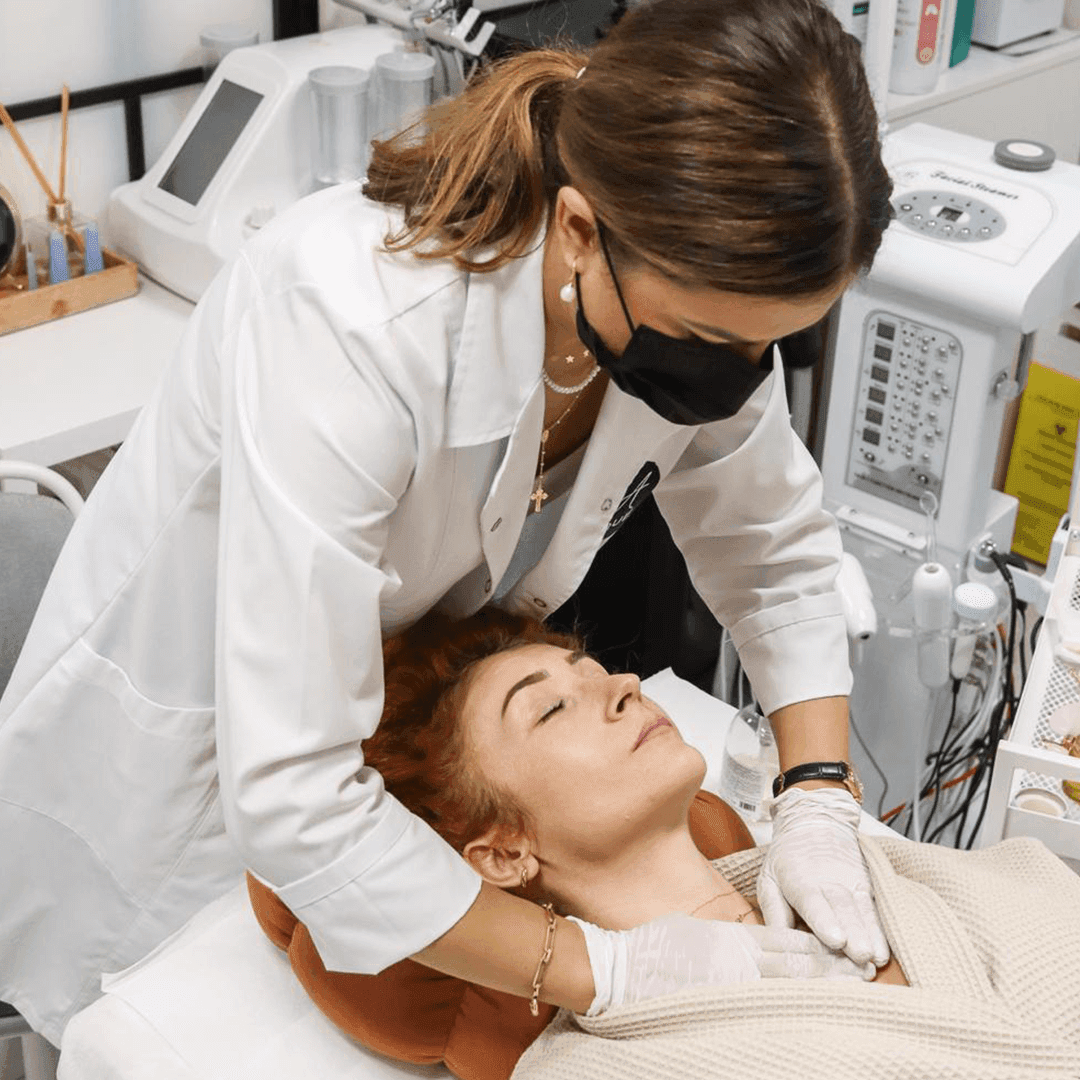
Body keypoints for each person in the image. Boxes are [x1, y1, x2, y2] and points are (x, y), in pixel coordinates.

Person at [0, 0, 894, 1046]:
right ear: (580, 230)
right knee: (118, 1027)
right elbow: (296, 795)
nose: (736, 379)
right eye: (705, 338)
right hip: (174, 798)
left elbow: (772, 552)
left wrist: (819, 795)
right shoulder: (350, 321)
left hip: (392, 777)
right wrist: (604, 968)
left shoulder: (696, 303)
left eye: (769, 345)